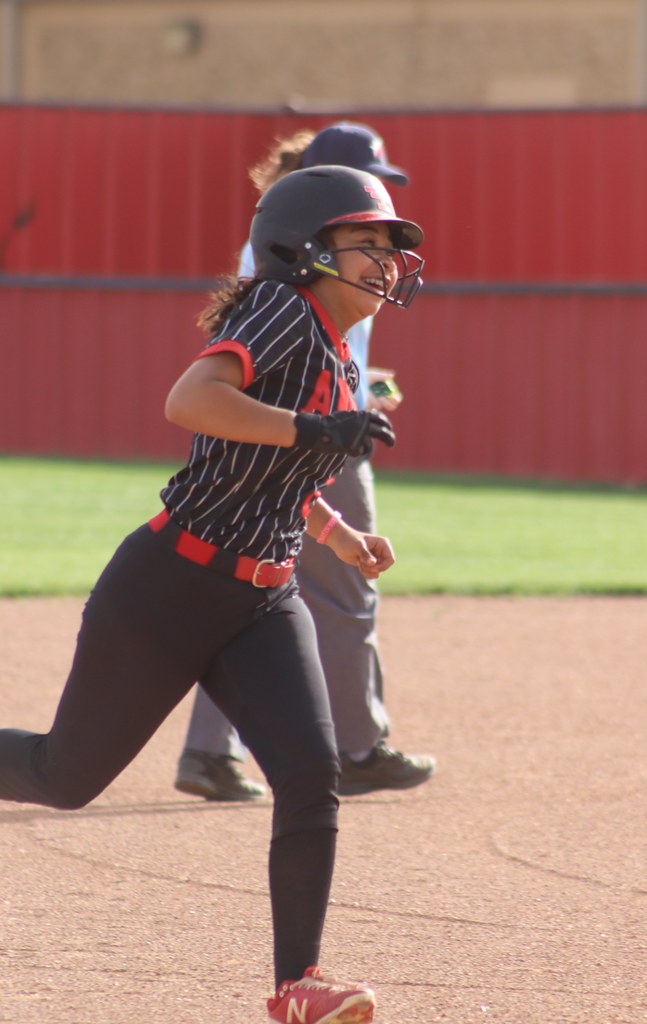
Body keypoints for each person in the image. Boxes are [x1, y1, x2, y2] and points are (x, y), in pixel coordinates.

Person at [0, 164, 425, 1023]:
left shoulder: (337, 351)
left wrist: (338, 536)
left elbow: (274, 472)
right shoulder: (281, 311)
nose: (384, 262)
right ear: (305, 251)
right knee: (63, 776)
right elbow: (190, 402)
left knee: (310, 779)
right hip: (169, 587)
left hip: (262, 598)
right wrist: (317, 428)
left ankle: (297, 985)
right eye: (365, 243)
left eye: (390, 248)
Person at [175, 122, 436, 803]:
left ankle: (210, 752)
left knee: (251, 594)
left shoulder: (315, 251)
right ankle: (357, 747)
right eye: (368, 228)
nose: (380, 235)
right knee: (341, 595)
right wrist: (325, 419)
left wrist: (359, 386)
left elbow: (305, 353)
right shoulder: (294, 262)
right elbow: (252, 359)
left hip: (310, 421)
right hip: (311, 433)